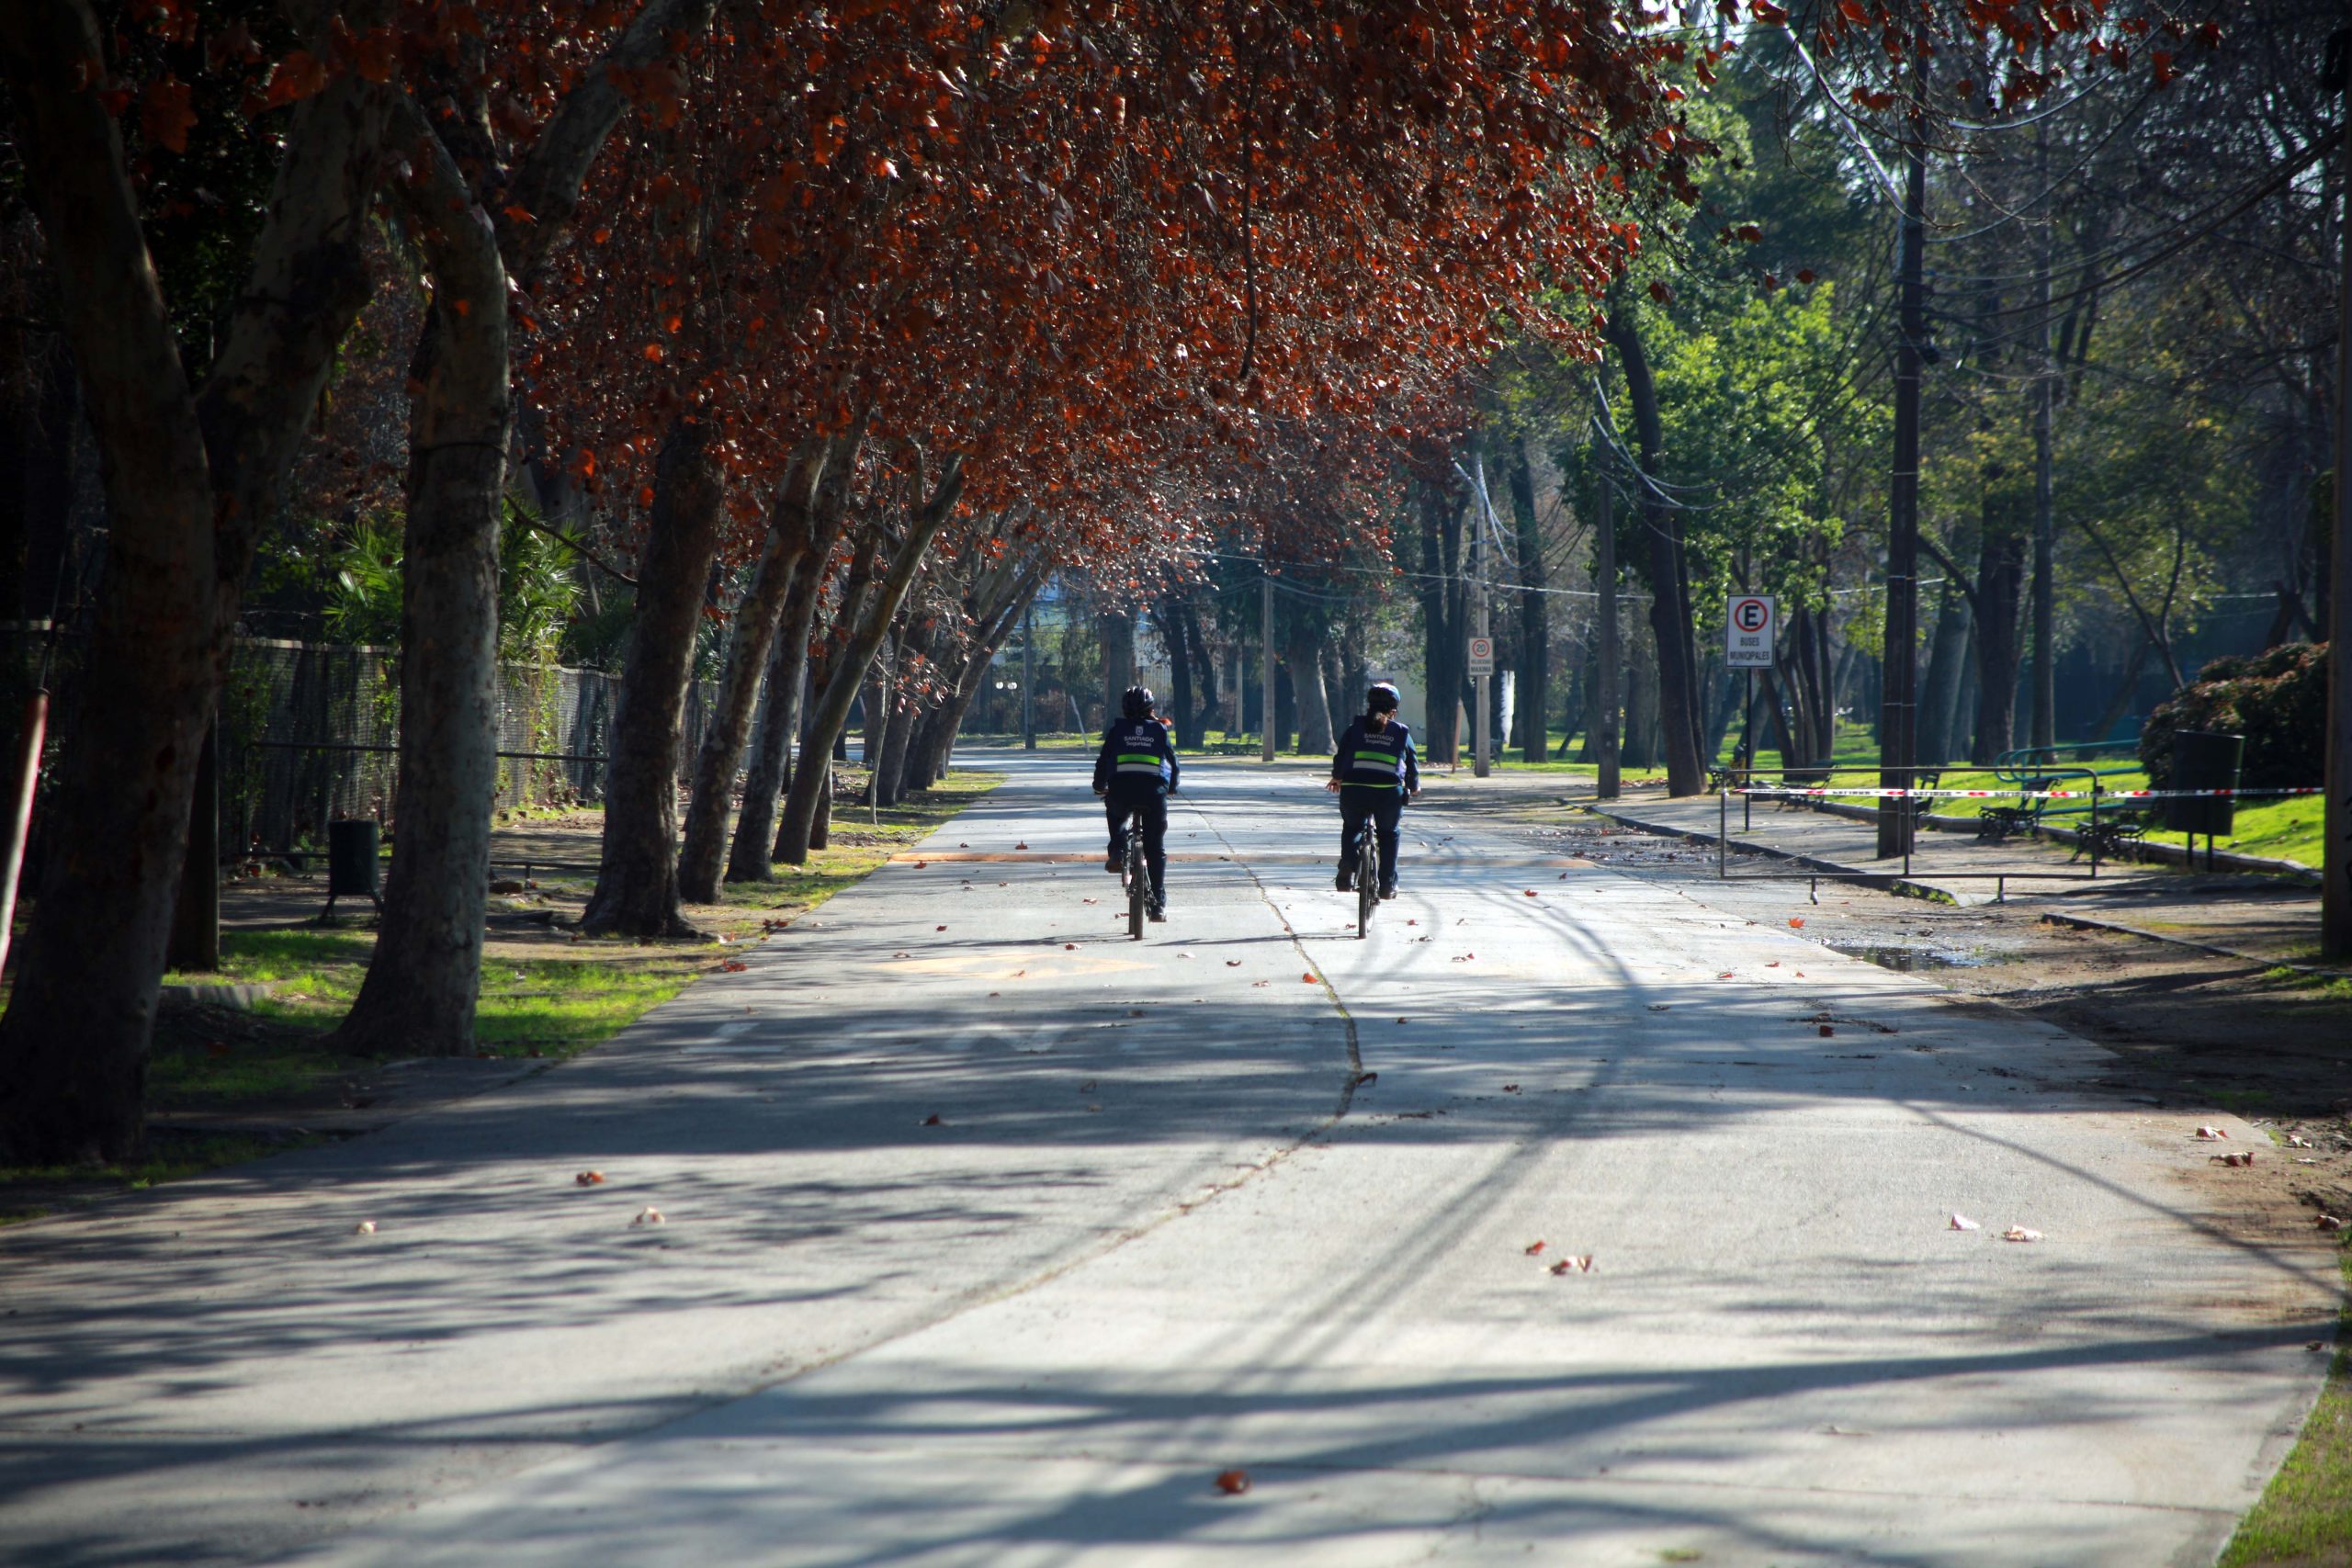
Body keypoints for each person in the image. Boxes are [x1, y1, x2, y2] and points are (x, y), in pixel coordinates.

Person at [1092, 685, 1180, 919]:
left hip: (1121, 791)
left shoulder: (1117, 731)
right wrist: (1172, 788)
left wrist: (1099, 786)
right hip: (1153, 794)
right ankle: (1158, 906)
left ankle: (1119, 850)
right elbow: (1173, 763)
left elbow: (1103, 762)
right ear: (1151, 708)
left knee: (1116, 814)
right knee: (1156, 849)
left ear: (1124, 709)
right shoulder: (1160, 730)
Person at [1326, 682, 1419, 898]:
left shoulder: (1354, 729)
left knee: (1352, 828)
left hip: (1354, 791)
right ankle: (1386, 885)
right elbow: (1412, 764)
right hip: (1388, 794)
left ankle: (1347, 865)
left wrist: (1337, 778)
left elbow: (1341, 757)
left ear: (1368, 707)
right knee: (1389, 835)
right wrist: (1414, 787)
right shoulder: (1402, 732)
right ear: (1393, 711)